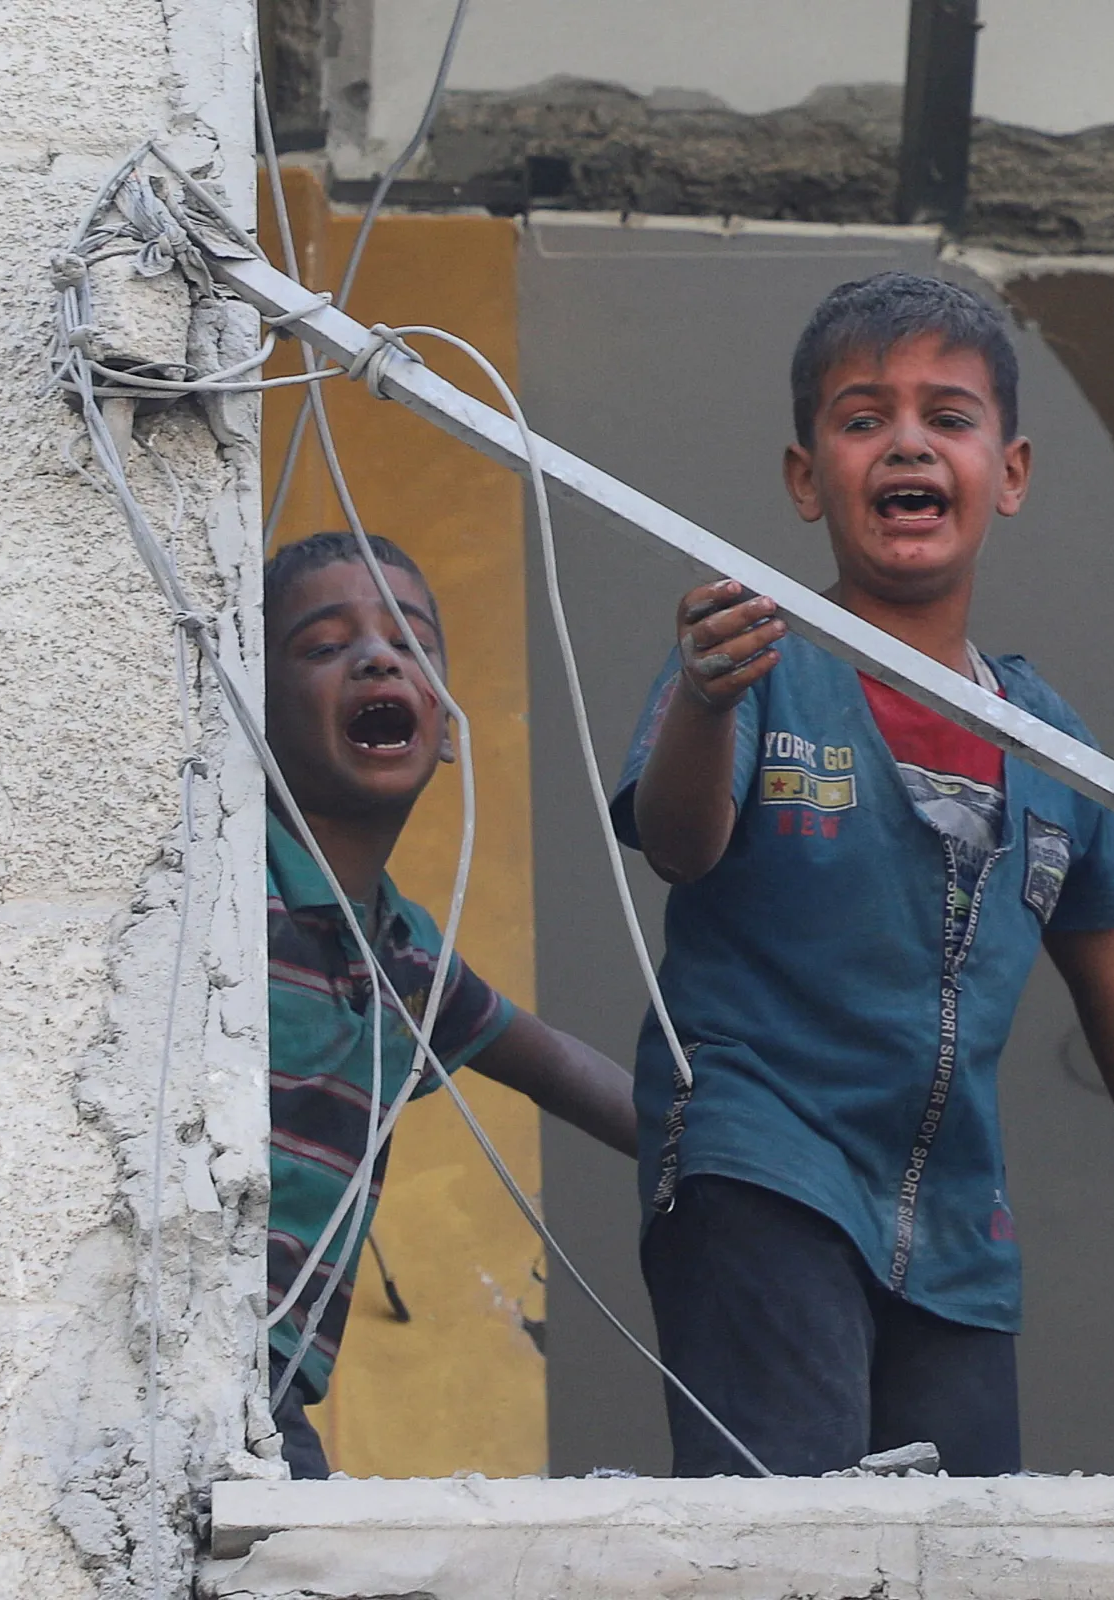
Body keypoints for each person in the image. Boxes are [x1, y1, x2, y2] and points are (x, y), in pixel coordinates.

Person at [613, 272, 1114, 1478]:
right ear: (805, 477)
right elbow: (682, 844)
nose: (907, 443)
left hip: (956, 1231)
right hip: (763, 1162)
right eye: (863, 417)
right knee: (794, 1528)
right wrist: (707, 704)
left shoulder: (1052, 742)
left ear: (1011, 472)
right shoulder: (754, 660)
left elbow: (1111, 969)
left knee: (971, 1539)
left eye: (948, 415)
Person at [262, 530, 638, 1478]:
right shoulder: (231, 888)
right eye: (324, 645)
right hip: (173, 1348)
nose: (377, 657)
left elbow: (564, 1070)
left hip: (274, 1387)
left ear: (449, 733)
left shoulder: (407, 957)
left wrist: (744, 1153)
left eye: (413, 644)